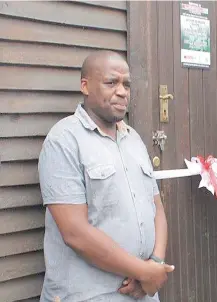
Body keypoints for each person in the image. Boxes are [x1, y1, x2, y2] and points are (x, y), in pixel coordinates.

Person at [38, 50, 174, 301]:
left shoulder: (133, 138)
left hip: (143, 292)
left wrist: (155, 263)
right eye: (111, 82)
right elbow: (75, 233)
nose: (122, 91)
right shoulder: (64, 141)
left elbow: (157, 208)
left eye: (127, 84)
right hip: (91, 295)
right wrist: (145, 272)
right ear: (85, 86)